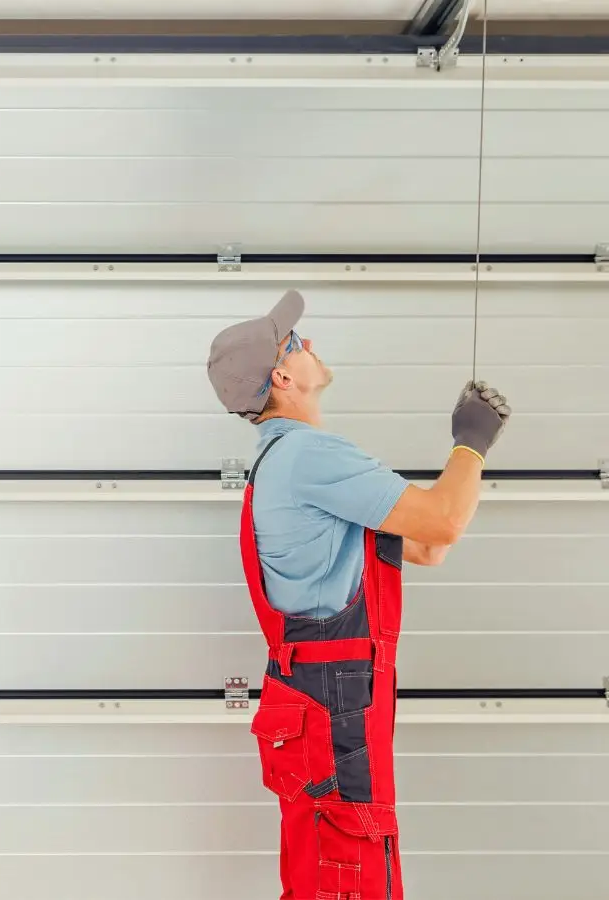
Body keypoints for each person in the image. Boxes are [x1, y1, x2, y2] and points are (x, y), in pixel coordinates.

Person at [204, 289, 511, 900]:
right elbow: (444, 524)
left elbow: (427, 546)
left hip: (319, 697)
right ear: (283, 374)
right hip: (336, 699)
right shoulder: (311, 456)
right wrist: (470, 444)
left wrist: (465, 463)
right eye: (296, 342)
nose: (310, 344)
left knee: (325, 862)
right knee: (351, 865)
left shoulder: (284, 462)